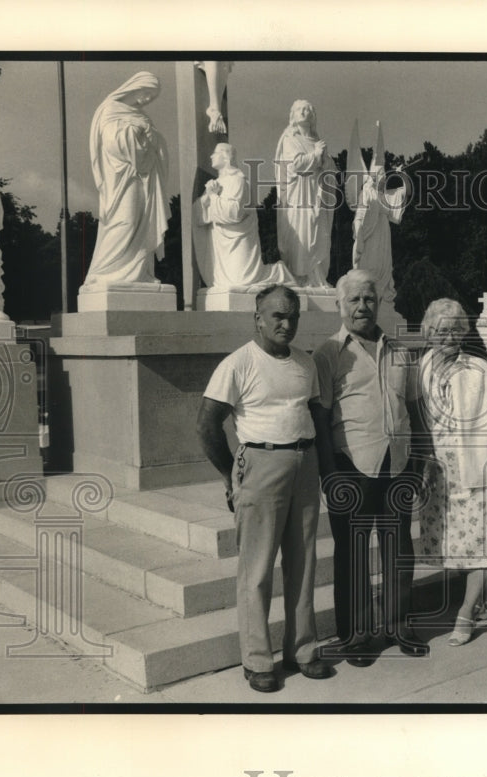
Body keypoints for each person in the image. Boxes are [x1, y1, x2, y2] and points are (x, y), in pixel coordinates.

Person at [197, 284, 334, 693]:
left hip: (304, 463)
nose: (286, 323)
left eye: (292, 316)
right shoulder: (238, 364)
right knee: (256, 569)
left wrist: (324, 471)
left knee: (303, 561)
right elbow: (207, 425)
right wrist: (230, 473)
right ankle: (258, 660)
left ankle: (302, 650)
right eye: (277, 316)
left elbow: (313, 415)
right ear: (257, 318)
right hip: (260, 464)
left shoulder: (305, 363)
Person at [311, 269, 429, 663]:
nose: (363, 307)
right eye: (354, 300)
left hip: (398, 464)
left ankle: (397, 626)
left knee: (400, 551)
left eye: (369, 299)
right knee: (353, 552)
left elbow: (415, 408)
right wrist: (329, 473)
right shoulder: (328, 354)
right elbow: (321, 418)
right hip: (351, 467)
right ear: (340, 305)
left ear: (378, 303)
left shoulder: (400, 350)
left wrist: (420, 462)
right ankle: (357, 635)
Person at [414, 299, 487, 647]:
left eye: (454, 330)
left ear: (462, 333)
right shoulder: (420, 368)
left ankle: (465, 613)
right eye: (439, 330)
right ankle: (480, 603)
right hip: (439, 473)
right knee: (453, 545)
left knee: (483, 542)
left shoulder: (480, 369)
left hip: (477, 468)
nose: (447, 337)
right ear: (428, 333)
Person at [82, 71, 171, 290]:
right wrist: (137, 133)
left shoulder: (141, 116)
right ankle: (104, 271)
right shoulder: (111, 108)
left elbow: (155, 145)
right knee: (125, 220)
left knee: (142, 223)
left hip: (142, 178)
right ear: (136, 87)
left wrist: (151, 137)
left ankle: (137, 272)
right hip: (121, 176)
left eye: (153, 97)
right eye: (148, 93)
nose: (148, 100)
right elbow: (113, 143)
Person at [197, 143, 292, 291]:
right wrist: (205, 200)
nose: (211, 156)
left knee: (241, 281)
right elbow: (198, 213)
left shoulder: (238, 180)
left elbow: (234, 213)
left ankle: (279, 272)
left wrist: (213, 197)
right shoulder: (216, 183)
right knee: (233, 284)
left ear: (226, 156)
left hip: (239, 240)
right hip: (221, 243)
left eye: (215, 153)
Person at [274, 99, 336, 288]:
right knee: (302, 234)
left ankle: (316, 278)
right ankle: (299, 277)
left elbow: (331, 170)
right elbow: (294, 165)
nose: (304, 112)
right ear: (292, 115)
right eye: (299, 109)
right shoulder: (290, 139)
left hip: (316, 196)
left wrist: (325, 161)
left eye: (307, 109)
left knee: (318, 234)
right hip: (298, 196)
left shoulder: (318, 141)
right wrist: (316, 155)